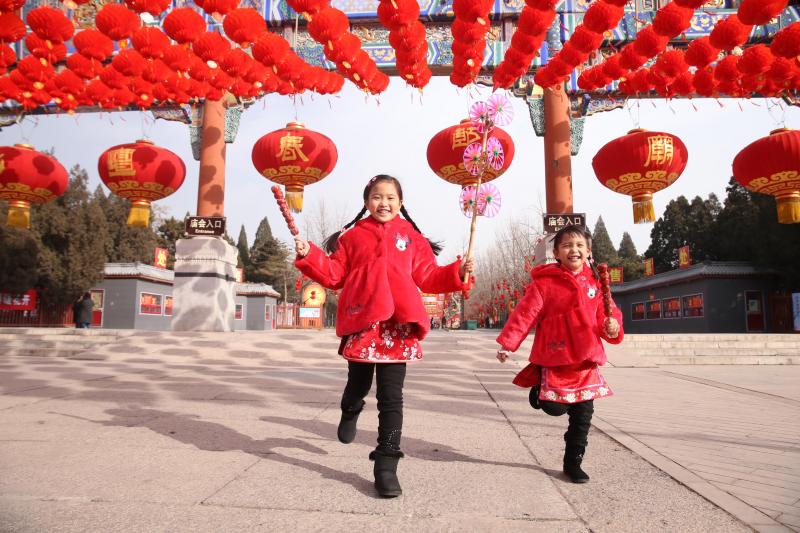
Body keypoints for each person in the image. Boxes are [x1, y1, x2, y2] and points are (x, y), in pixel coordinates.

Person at [294, 174, 473, 498]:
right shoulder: (352, 238)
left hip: (398, 327)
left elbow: (429, 276)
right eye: (377, 197)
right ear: (366, 202)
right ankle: (350, 408)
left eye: (390, 197)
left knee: (392, 397)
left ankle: (386, 464)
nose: (384, 203)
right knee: (358, 384)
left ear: (401, 203)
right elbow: (334, 276)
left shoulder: (412, 238)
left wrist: (457, 273)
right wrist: (310, 255)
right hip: (364, 322)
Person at [495, 226, 623, 484]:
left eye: (579, 245)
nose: (573, 250)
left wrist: (613, 327)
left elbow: (607, 316)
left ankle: (573, 463)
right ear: (556, 252)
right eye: (566, 245)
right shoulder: (544, 284)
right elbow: (525, 314)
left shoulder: (596, 284)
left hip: (585, 361)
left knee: (583, 417)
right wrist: (509, 344)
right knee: (555, 408)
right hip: (555, 358)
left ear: (588, 252)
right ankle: (540, 392)